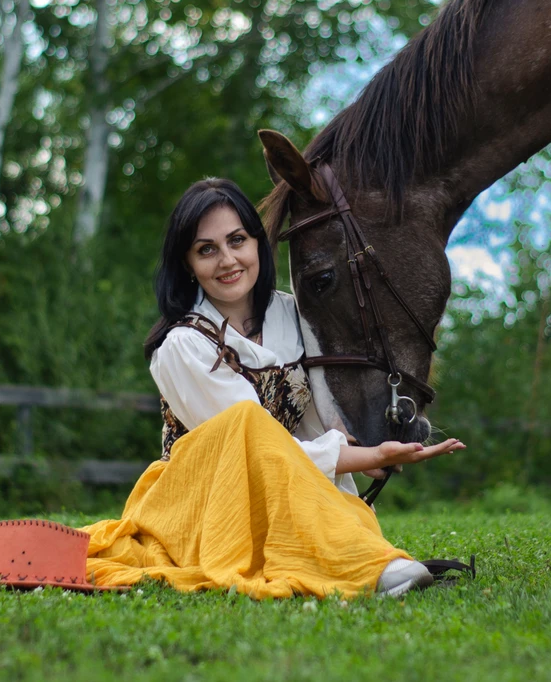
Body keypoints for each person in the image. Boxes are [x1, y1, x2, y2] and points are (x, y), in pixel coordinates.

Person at [81, 178, 465, 598]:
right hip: (207, 498)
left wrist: (370, 448)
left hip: (286, 489)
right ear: (188, 264)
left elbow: (315, 427)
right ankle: (365, 569)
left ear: (257, 244)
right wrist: (359, 456)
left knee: (332, 515)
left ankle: (360, 559)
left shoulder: (295, 314)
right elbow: (254, 447)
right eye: (206, 249)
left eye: (237, 240)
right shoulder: (183, 345)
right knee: (246, 419)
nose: (227, 260)